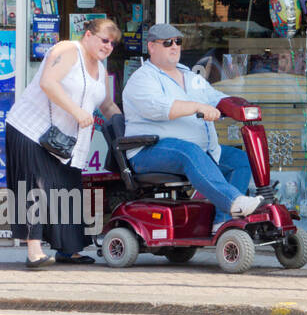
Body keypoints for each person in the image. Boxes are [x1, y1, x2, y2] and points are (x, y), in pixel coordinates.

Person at [5, 18, 122, 267]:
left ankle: (69, 249)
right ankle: (34, 250)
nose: (108, 46)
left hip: (65, 142)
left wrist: (125, 128)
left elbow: (107, 105)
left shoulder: (100, 69)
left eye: (112, 43)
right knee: (33, 186)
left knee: (67, 189)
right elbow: (48, 82)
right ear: (88, 35)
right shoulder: (68, 50)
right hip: (31, 129)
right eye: (104, 40)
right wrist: (76, 111)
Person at [123, 24, 263, 230]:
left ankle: (223, 222)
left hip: (199, 151)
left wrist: (239, 106)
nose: (174, 47)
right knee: (188, 151)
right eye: (167, 42)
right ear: (152, 47)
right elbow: (160, 108)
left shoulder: (191, 77)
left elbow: (215, 98)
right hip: (149, 152)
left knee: (241, 160)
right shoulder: (142, 79)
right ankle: (234, 201)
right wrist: (198, 106)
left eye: (178, 42)